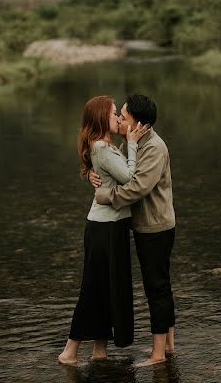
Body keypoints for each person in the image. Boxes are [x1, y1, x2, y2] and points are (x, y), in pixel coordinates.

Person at [58, 95, 149, 365]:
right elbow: (129, 178)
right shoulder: (101, 148)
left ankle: (100, 351)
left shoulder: (103, 147)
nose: (119, 119)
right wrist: (132, 145)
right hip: (104, 228)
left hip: (112, 225)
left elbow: (109, 175)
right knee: (93, 289)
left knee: (107, 288)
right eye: (113, 114)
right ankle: (69, 351)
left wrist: (93, 174)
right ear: (101, 118)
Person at [91, 94, 175, 366]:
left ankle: (158, 355)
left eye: (122, 117)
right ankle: (170, 347)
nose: (118, 120)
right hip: (146, 225)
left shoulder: (154, 148)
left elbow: (137, 188)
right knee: (161, 286)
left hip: (155, 227)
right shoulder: (138, 143)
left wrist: (105, 196)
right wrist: (92, 173)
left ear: (138, 124)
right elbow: (114, 167)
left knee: (156, 289)